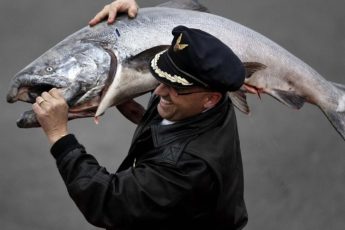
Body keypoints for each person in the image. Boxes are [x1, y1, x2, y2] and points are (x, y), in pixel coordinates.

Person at [32, 3, 248, 230]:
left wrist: (60, 136)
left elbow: (108, 202)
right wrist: (135, 21)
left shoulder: (187, 168)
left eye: (175, 88)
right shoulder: (208, 100)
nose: (159, 91)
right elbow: (174, 131)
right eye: (162, 78)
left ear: (210, 99)